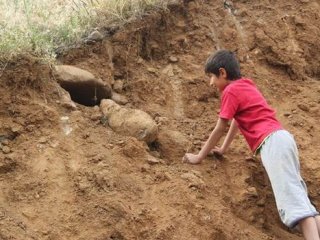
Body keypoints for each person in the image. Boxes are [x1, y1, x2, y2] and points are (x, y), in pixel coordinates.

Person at [182, 49, 320, 239]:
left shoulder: (229, 91)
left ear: (222, 73)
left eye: (211, 77)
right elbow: (238, 120)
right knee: (301, 201)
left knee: (295, 205)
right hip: (284, 139)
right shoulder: (246, 84)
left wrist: (199, 156)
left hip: (272, 144)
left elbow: (220, 127)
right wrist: (223, 148)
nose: (211, 83)